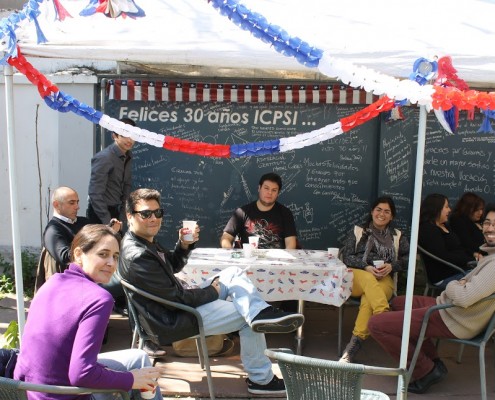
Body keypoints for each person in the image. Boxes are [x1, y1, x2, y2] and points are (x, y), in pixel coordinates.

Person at [118, 188, 305, 395]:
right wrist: (212, 292)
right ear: (129, 216)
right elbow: (178, 298)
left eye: (157, 212)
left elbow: (171, 267)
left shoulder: (142, 241)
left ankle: (260, 313)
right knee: (247, 316)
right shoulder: (139, 255)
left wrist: (184, 245)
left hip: (173, 308)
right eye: (145, 214)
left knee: (233, 273)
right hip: (172, 320)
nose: (153, 218)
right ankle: (261, 380)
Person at [14, 224, 162, 400]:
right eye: (103, 254)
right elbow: (82, 374)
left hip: (28, 392)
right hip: (65, 395)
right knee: (138, 374)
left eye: (115, 257)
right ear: (78, 254)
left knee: (138, 358)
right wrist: (130, 379)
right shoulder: (99, 299)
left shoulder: (52, 283)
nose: (111, 263)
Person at [368, 204, 495, 394]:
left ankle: (425, 371)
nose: (490, 228)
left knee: (376, 325)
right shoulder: (490, 257)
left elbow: (464, 297)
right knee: (398, 303)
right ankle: (434, 362)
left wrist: (453, 284)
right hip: (449, 307)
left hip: (455, 318)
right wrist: (460, 284)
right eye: (487, 223)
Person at [338, 196, 409, 363]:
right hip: (358, 277)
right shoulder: (358, 231)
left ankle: (353, 347)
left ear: (392, 216)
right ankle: (384, 316)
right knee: (369, 280)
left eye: (387, 211)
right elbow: (347, 256)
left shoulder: (397, 236)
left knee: (368, 301)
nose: (381, 214)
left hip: (384, 279)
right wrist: (366, 266)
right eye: (378, 210)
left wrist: (392, 266)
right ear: (372, 212)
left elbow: (408, 259)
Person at [34, 186, 121, 291]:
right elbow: (65, 257)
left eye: (77, 202)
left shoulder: (83, 222)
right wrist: (92, 247)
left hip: (87, 281)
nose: (77, 207)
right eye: (71, 203)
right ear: (56, 205)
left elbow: (97, 236)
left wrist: (109, 230)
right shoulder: (52, 230)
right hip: (66, 287)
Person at [220, 172, 298, 249]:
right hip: (248, 256)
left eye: (274, 190)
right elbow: (226, 237)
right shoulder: (242, 212)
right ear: (259, 188)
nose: (269, 192)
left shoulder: (285, 213)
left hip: (276, 257)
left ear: (278, 193)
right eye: (266, 188)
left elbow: (291, 243)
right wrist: (230, 252)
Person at [418, 193, 475, 290]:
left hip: (459, 270)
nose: (449, 210)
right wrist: (468, 259)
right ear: (436, 209)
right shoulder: (428, 230)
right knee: (487, 278)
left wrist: (473, 255)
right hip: (445, 276)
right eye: (446, 206)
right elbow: (443, 256)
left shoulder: (444, 225)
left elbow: (458, 248)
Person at [86, 117, 136, 226]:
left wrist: (122, 218)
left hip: (117, 213)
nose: (129, 140)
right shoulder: (104, 158)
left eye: (133, 136)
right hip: (100, 214)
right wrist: (108, 222)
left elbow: (126, 189)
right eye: (124, 135)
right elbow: (95, 193)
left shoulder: (128, 156)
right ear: (114, 136)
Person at [449, 192, 486, 260]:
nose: (480, 212)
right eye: (477, 210)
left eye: (481, 209)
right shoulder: (458, 221)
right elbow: (467, 244)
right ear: (467, 208)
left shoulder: (478, 221)